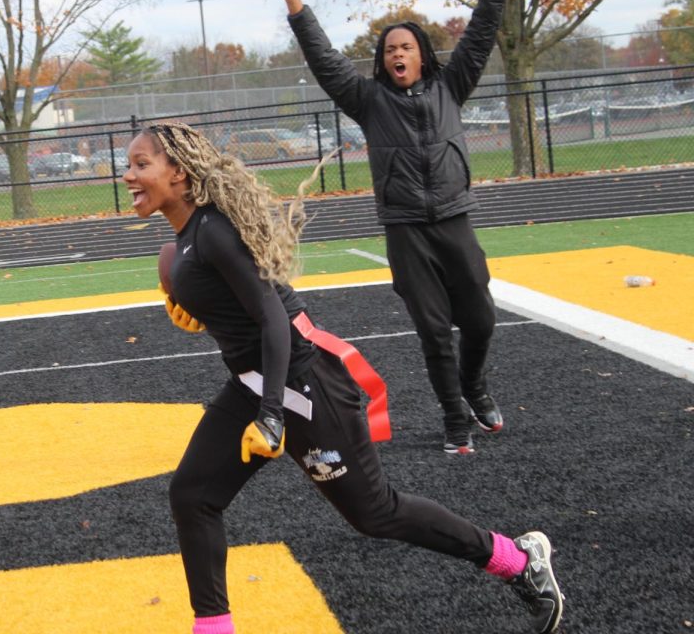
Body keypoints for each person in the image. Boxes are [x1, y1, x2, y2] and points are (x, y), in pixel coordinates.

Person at [123, 122, 562, 634]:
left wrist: (270, 415)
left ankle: (516, 560)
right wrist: (201, 313)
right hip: (253, 383)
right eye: (130, 165)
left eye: (141, 164)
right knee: (192, 496)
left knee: (376, 513)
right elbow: (238, 316)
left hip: (304, 385)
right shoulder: (181, 247)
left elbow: (274, 320)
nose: (128, 174)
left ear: (178, 172)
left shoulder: (215, 230)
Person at [269, 0, 513, 455]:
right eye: (389, 50)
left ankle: (474, 388)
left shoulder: (453, 85)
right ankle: (455, 419)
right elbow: (324, 58)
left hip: (453, 219)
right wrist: (295, 3)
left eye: (406, 47)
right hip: (405, 231)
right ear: (382, 61)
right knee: (432, 331)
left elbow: (480, 34)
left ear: (422, 53)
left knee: (480, 319)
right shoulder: (368, 100)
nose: (397, 55)